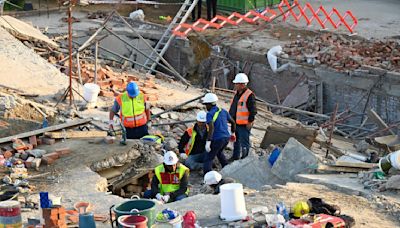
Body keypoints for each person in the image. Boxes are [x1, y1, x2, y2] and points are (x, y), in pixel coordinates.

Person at [202, 93, 236, 174]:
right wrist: (233, 133)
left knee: (209, 158)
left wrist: (208, 141)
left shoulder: (210, 114)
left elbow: (211, 127)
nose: (206, 107)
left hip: (217, 138)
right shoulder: (223, 111)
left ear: (209, 104)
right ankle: (227, 169)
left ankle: (208, 176)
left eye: (206, 105)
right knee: (219, 153)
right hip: (226, 138)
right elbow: (233, 122)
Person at [229, 73, 257, 161]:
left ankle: (244, 159)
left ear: (242, 84)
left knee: (244, 142)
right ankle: (235, 157)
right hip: (235, 122)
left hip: (244, 124)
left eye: (237, 84)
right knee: (236, 142)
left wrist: (250, 122)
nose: (235, 85)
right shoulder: (236, 94)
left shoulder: (249, 95)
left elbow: (253, 110)